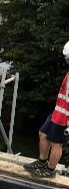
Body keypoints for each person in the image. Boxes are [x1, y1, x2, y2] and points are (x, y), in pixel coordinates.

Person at [26, 40, 69, 179]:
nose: (66, 60)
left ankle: (50, 171)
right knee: (43, 134)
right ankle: (42, 162)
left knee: (57, 143)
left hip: (64, 117)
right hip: (58, 112)